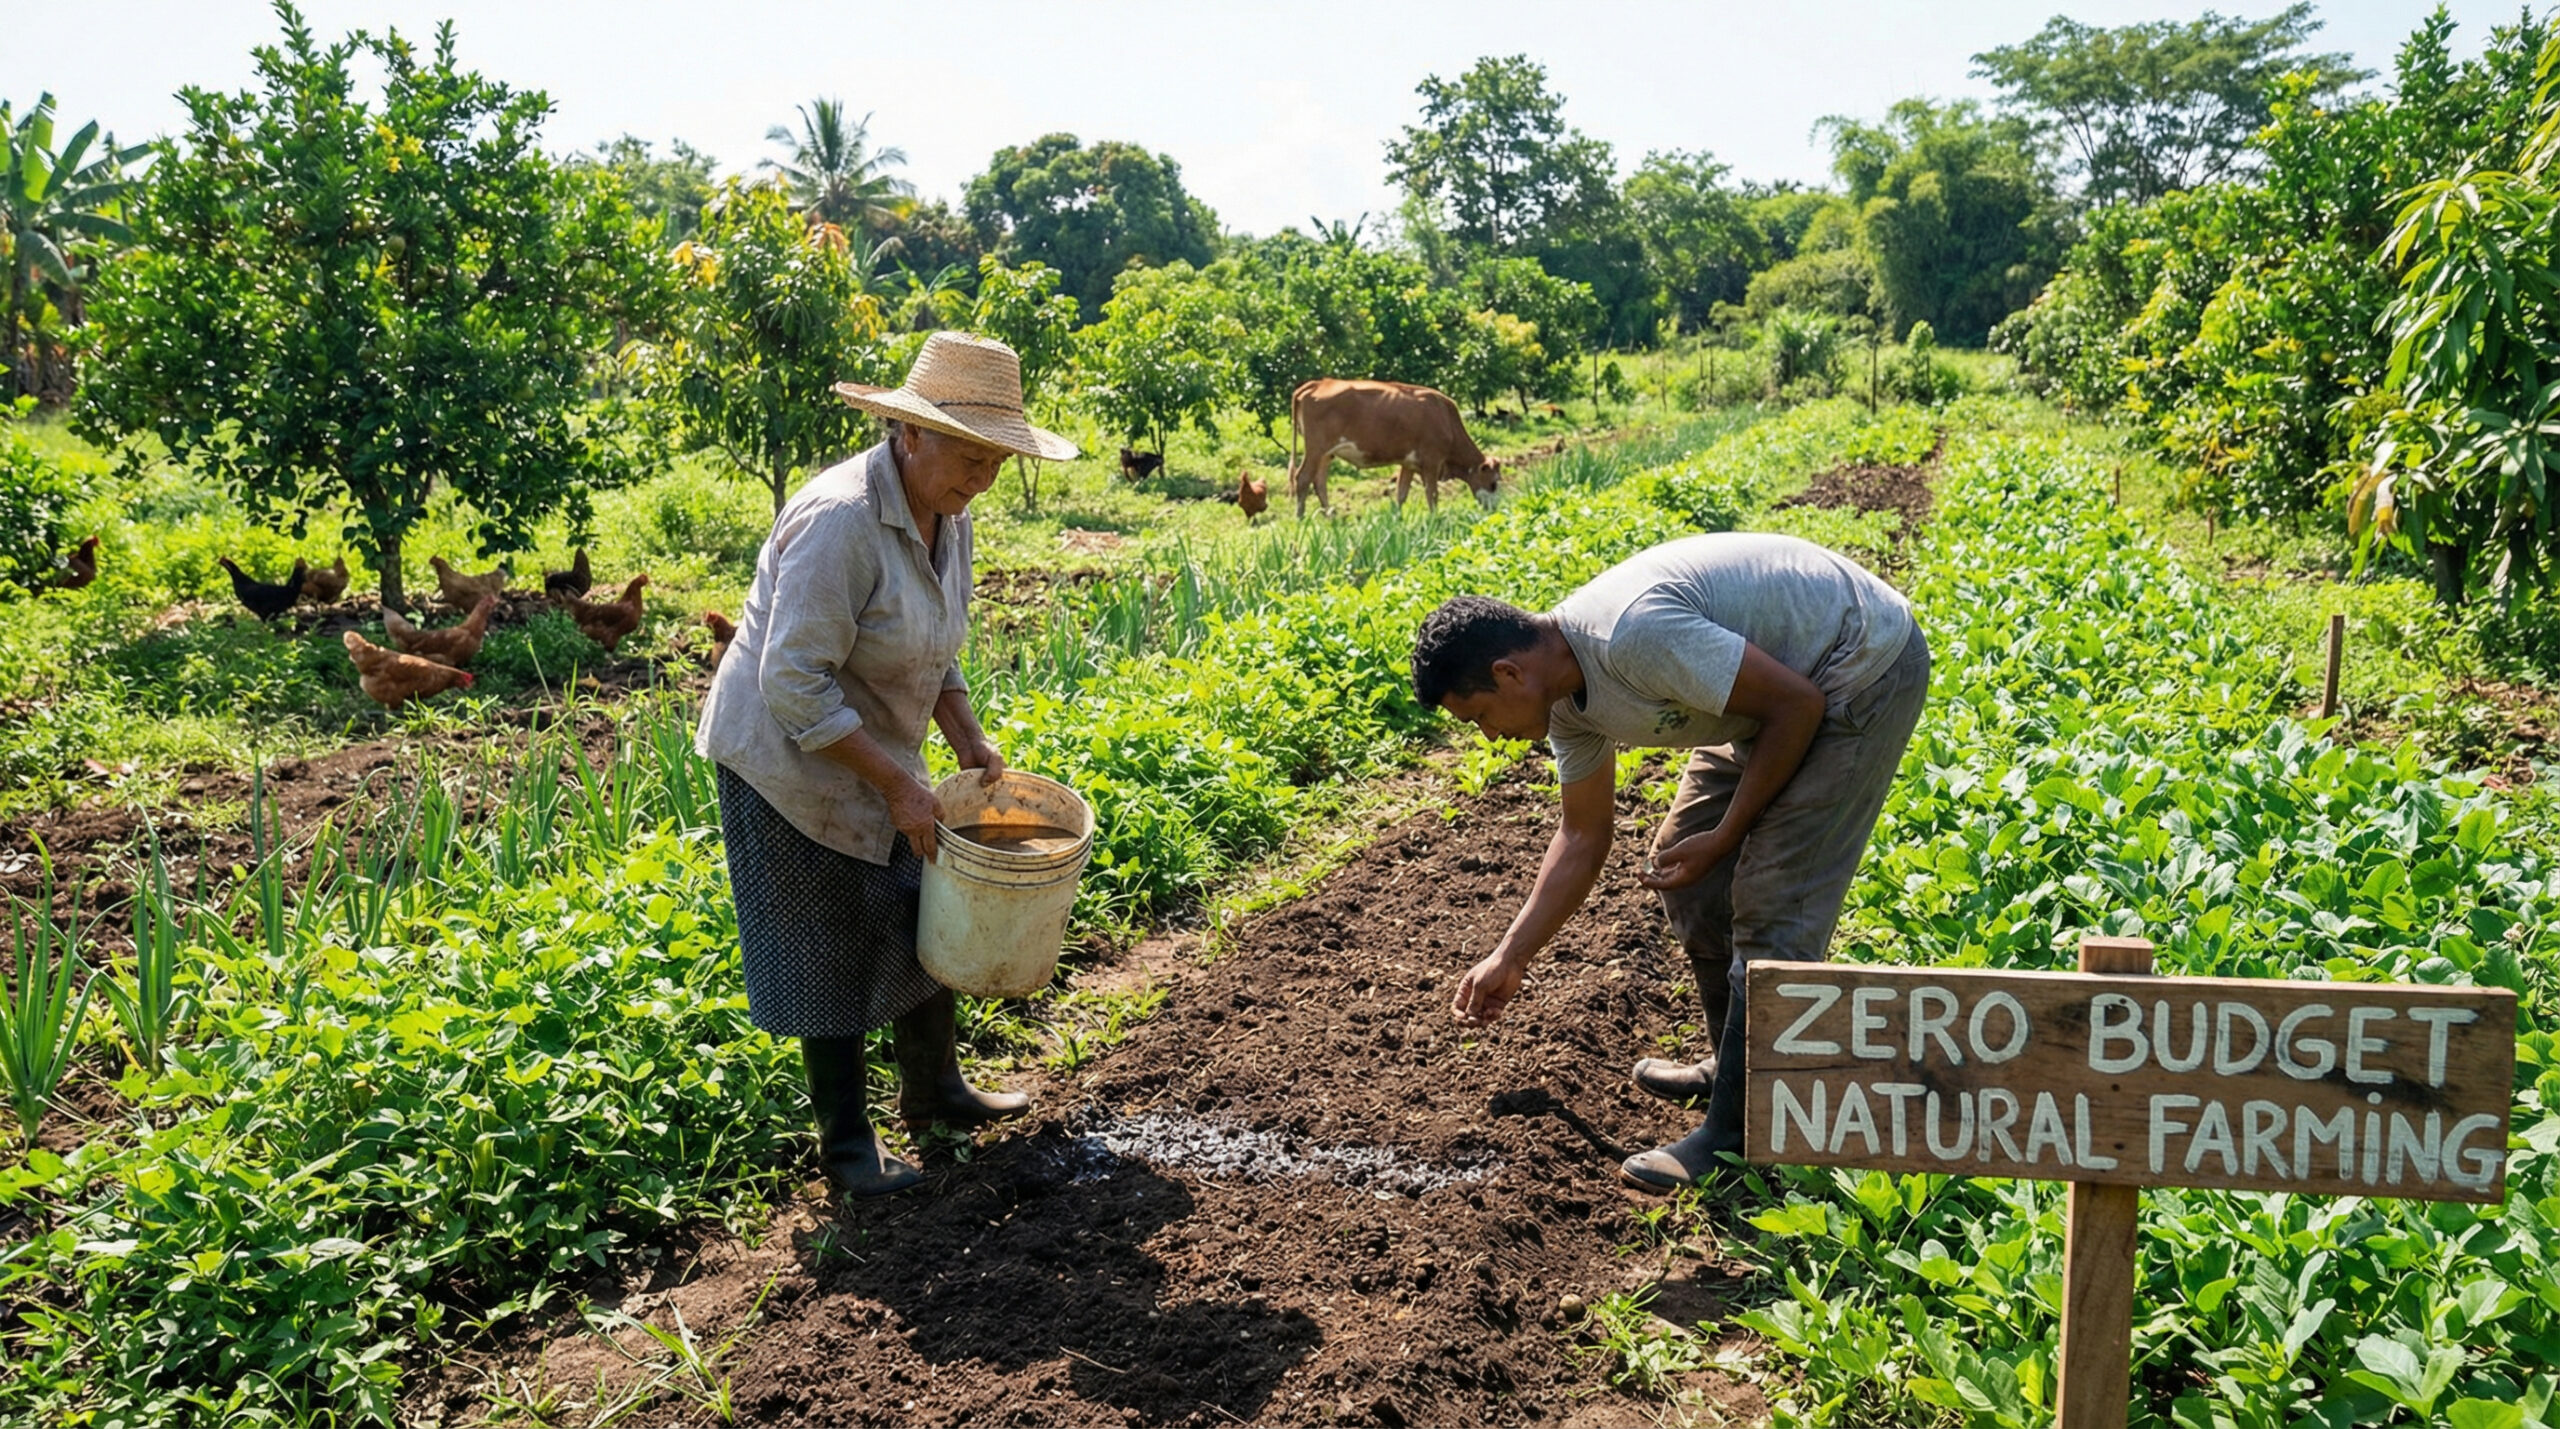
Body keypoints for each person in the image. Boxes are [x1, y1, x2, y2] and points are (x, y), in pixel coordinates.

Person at [1408, 532, 1928, 1192]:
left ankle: (1739, 1137)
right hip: (1769, 698)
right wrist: (1510, 955)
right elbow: (1582, 835)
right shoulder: (1565, 702)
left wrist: (1729, 831)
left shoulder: (1629, 637)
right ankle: (1733, 1067)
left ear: (1509, 673)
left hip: (1859, 666)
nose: (1488, 734)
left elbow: (1799, 705)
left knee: (1773, 904)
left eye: (1479, 714)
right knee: (1692, 878)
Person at [696, 331, 1079, 1197]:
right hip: (785, 762)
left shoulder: (949, 513)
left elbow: (935, 646)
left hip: (868, 744)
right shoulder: (842, 522)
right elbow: (791, 682)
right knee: (825, 941)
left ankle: (936, 1092)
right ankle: (847, 1153)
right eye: (967, 454)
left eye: (995, 460)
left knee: (920, 907)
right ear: (908, 433)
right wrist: (898, 782)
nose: (980, 477)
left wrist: (967, 737)